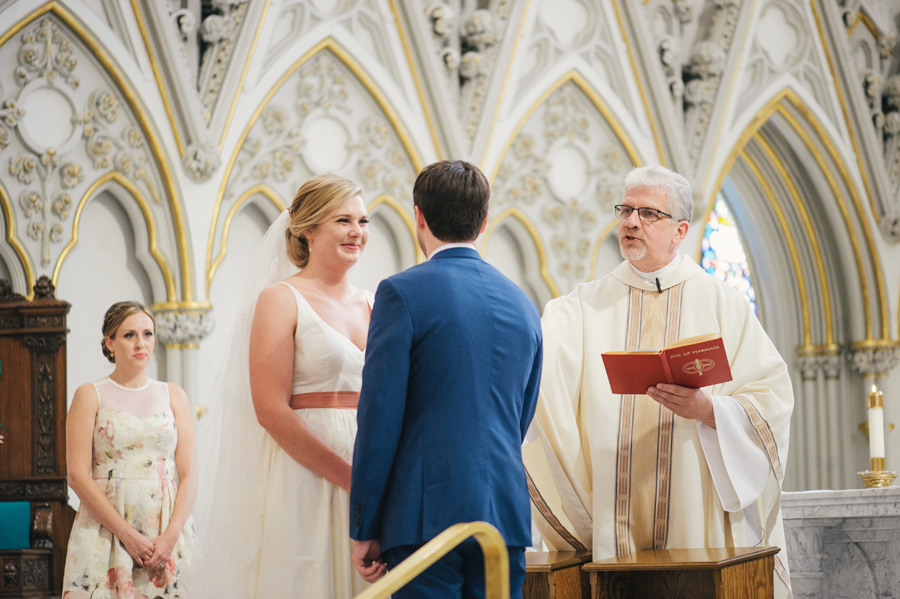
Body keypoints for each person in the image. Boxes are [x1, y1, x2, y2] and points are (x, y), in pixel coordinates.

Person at [524, 165, 794, 598]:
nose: (631, 222)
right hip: (616, 517)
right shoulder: (582, 308)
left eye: (648, 213)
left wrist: (709, 411)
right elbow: (536, 367)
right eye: (626, 210)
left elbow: (773, 397)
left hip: (697, 519)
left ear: (680, 230)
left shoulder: (723, 303)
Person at [349, 160, 543, 599]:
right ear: (485, 220)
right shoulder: (523, 303)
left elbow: (380, 416)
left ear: (418, 216)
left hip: (424, 518)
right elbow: (521, 414)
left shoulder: (401, 293)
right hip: (504, 517)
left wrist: (365, 524)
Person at [192, 174, 378, 598]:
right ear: (309, 229)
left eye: (363, 221)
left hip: (369, 463)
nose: (357, 232)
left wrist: (375, 479)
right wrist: (349, 477)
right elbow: (270, 410)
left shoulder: (376, 301)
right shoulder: (280, 298)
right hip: (306, 471)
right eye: (343, 221)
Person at [63, 301, 195, 598]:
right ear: (109, 342)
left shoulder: (174, 395)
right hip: (105, 532)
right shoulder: (90, 395)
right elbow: (77, 475)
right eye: (129, 335)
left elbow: (188, 473)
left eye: (147, 334)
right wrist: (127, 535)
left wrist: (172, 535)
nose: (141, 343)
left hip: (167, 533)